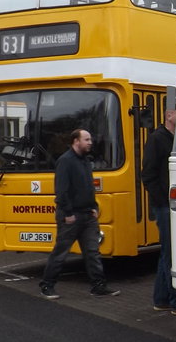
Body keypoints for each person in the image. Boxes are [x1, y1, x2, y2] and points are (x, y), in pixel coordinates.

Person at [38, 128, 119, 299]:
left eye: (90, 139)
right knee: (61, 252)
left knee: (92, 252)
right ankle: (47, 285)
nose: (90, 142)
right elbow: (61, 190)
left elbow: (88, 187)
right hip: (71, 216)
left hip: (87, 215)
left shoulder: (85, 161)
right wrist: (68, 212)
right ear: (76, 141)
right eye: (87, 139)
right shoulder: (65, 161)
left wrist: (94, 207)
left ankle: (98, 286)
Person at [141, 106, 176, 316]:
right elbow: (148, 175)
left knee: (167, 251)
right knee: (173, 253)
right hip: (167, 206)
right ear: (169, 115)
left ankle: (161, 299)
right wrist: (163, 202)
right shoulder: (157, 139)